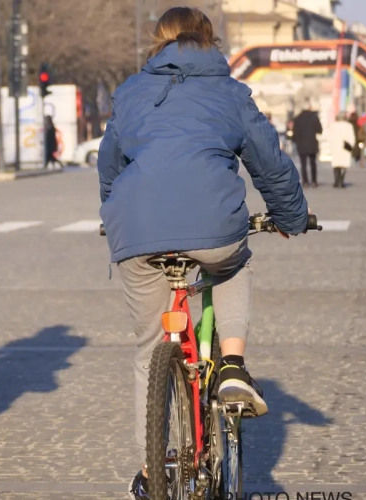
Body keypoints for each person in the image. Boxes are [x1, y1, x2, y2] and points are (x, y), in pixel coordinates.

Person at [96, 8, 309, 499]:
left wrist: (114, 215)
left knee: (149, 347)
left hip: (136, 230)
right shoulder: (230, 92)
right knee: (232, 264)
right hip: (212, 228)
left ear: (158, 44)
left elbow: (110, 163)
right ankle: (231, 366)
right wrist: (292, 218)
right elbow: (269, 164)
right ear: (210, 41)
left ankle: (152, 474)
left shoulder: (130, 91)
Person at [292, 100, 323, 187]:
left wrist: (296, 140)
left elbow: (294, 133)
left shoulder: (297, 118)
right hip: (312, 143)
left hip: (301, 144)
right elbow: (319, 130)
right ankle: (314, 181)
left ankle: (305, 181)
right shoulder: (314, 117)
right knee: (313, 163)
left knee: (303, 164)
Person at [330, 112, 356, 188]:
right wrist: (351, 145)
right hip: (345, 147)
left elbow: (330, 136)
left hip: (335, 147)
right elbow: (352, 137)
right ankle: (341, 181)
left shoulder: (333, 126)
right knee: (343, 165)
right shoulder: (348, 126)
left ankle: (336, 181)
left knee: (336, 164)